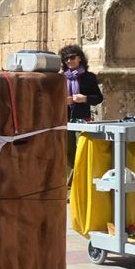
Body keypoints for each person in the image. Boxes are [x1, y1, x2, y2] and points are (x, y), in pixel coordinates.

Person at [59, 44, 104, 184]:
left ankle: (79, 183)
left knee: (81, 152)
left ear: (80, 58)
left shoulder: (89, 77)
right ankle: (69, 187)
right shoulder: (60, 78)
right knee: (68, 153)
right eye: (66, 59)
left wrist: (84, 98)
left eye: (72, 57)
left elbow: (98, 98)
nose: (69, 61)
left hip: (82, 119)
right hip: (64, 119)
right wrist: (62, 101)